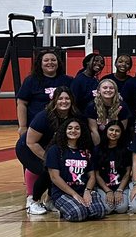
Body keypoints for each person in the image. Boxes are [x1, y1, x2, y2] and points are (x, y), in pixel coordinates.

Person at [16, 87, 80, 215]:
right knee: (49, 170)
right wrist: (50, 159)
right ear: (54, 100)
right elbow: (31, 142)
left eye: (67, 98)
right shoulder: (44, 116)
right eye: (60, 98)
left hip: (50, 149)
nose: (64, 101)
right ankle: (33, 201)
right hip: (28, 148)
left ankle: (50, 200)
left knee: (60, 168)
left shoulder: (74, 116)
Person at [45, 118, 107, 222]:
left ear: (81, 131)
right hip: (63, 193)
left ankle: (79, 207)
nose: (73, 131)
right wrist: (74, 194)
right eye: (70, 128)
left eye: (77, 128)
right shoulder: (55, 150)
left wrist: (87, 191)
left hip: (83, 190)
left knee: (99, 212)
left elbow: (92, 176)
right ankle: (66, 209)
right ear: (64, 131)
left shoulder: (86, 151)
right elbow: (54, 177)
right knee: (78, 214)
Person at [16, 47, 73, 129]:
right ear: (40, 63)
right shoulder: (31, 80)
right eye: (46, 60)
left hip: (62, 125)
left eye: (53, 60)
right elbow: (21, 103)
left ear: (58, 62)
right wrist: (22, 126)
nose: (50, 62)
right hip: (36, 125)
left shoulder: (68, 80)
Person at [94, 119, 132, 215]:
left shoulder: (126, 150)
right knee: (108, 208)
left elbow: (127, 173)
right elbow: (96, 175)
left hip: (121, 186)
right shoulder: (97, 150)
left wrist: (120, 190)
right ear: (106, 131)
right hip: (103, 187)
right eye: (111, 130)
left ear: (121, 133)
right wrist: (108, 191)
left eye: (117, 131)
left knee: (121, 209)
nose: (114, 133)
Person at [86, 76, 128, 147]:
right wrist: (99, 150)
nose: (108, 90)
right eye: (105, 88)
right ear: (98, 91)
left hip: (117, 143)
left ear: (116, 91)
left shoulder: (122, 106)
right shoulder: (92, 106)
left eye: (111, 88)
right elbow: (94, 131)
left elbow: (122, 131)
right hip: (98, 141)